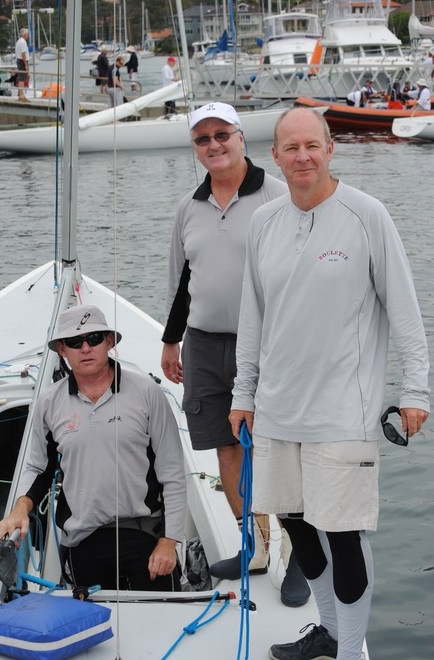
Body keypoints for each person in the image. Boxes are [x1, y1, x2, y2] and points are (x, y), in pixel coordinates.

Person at [229, 107, 430, 660]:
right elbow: (253, 320)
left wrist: (416, 391)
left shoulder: (368, 215)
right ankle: (328, 630)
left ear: (330, 148)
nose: (302, 157)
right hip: (276, 410)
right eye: (291, 148)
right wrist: (243, 395)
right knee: (297, 527)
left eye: (312, 146)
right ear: (275, 156)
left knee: (343, 536)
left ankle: (350, 648)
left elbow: (405, 312)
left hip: (344, 412)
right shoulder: (264, 224)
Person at [160, 101, 310, 607]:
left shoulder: (278, 194)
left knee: (276, 451)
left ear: (241, 137)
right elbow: (182, 281)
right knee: (226, 449)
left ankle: (298, 559)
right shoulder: (188, 206)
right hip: (203, 344)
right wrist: (170, 340)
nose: (214, 145)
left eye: (222, 134)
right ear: (196, 149)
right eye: (202, 139)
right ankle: (256, 549)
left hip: (267, 345)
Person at [0, 305, 186, 592]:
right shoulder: (48, 402)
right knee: (95, 634)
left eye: (94, 338)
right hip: (83, 541)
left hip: (146, 537)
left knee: (158, 629)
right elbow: (38, 467)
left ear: (109, 342)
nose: (85, 348)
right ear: (62, 349)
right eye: (74, 342)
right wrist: (20, 509)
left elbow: (172, 470)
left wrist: (170, 541)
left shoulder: (147, 392)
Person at [15, 27, 30, 102]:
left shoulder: (18, 41)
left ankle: (21, 94)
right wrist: (26, 64)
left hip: (19, 60)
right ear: (25, 34)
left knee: (21, 78)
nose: (28, 35)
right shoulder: (23, 42)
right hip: (22, 61)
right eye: (27, 34)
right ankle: (21, 96)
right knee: (22, 78)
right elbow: (23, 54)